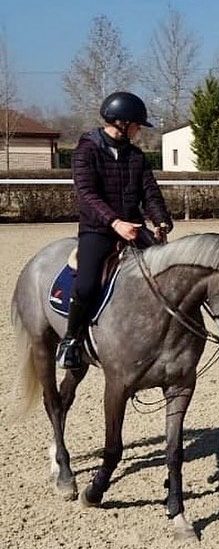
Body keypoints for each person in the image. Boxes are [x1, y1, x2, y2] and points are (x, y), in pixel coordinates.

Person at [56, 91, 174, 370]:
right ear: (122, 123)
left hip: (133, 227)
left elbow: (150, 192)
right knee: (85, 285)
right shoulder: (86, 150)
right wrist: (114, 222)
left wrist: (161, 221)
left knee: (168, 272)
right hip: (98, 230)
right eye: (137, 125)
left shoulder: (136, 156)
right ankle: (70, 341)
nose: (138, 131)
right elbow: (87, 194)